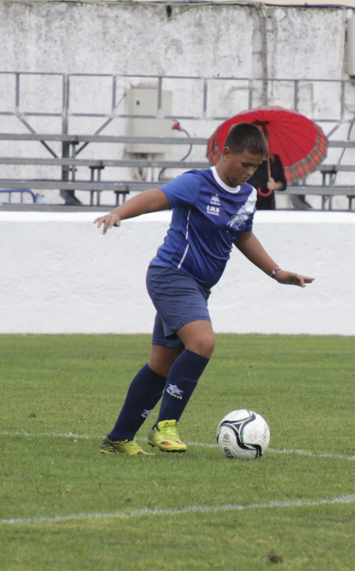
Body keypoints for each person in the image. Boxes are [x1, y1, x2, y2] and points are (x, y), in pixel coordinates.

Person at [94, 123, 314, 455]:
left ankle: (119, 438)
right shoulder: (197, 183)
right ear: (226, 153)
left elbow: (243, 236)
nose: (250, 172)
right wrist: (118, 213)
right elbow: (156, 197)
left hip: (198, 287)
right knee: (203, 342)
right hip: (171, 275)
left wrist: (277, 272)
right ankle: (165, 426)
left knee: (161, 365)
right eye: (245, 164)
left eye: (256, 166)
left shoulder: (248, 195)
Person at [246, 123, 287, 210]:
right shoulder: (245, 158)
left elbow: (284, 184)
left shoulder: (273, 159)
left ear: (265, 137)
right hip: (249, 204)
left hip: (268, 205)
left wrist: (276, 185)